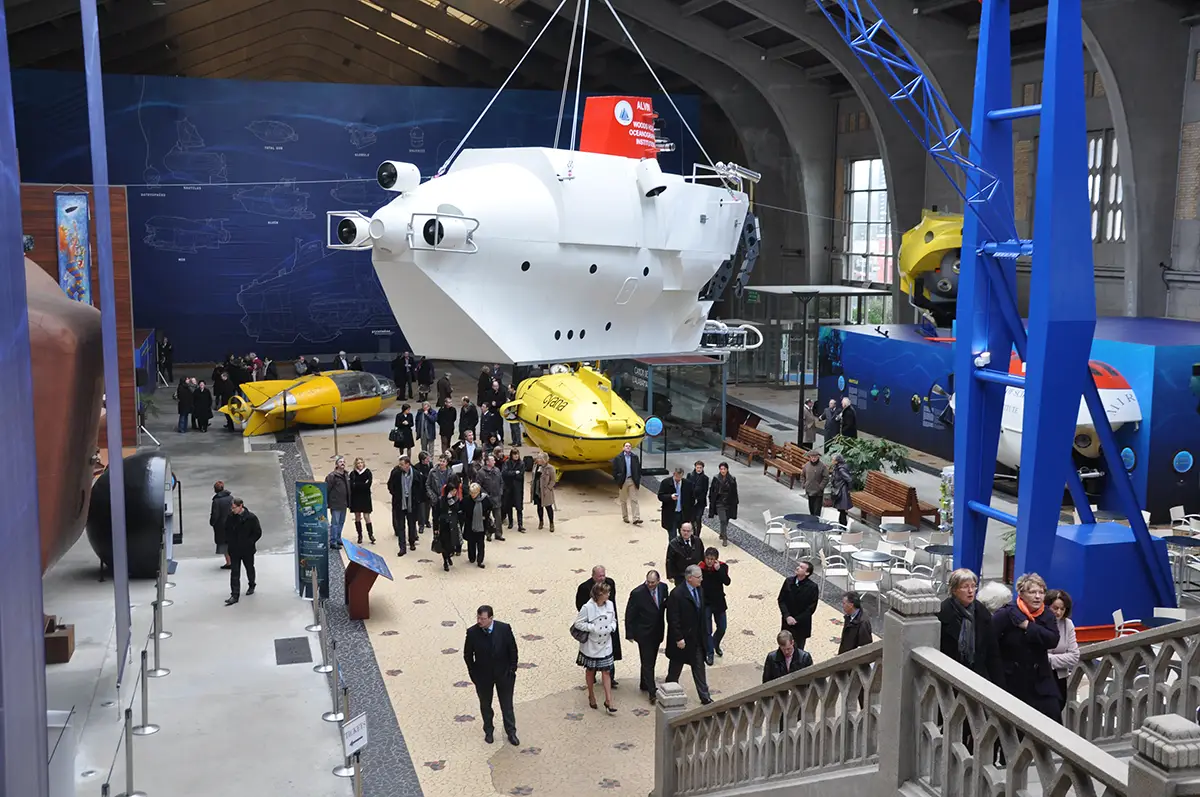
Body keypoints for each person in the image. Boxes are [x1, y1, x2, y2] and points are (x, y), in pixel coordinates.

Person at [993, 573, 1061, 721]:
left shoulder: (1047, 614)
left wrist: (1027, 626)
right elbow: (990, 644)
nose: (1038, 597)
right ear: (1021, 594)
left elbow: (1052, 640)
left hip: (1041, 681)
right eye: (1032, 592)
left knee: (1053, 718)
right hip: (1013, 681)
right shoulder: (1006, 613)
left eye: (1041, 592)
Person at [462, 605, 520, 746]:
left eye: (483, 618)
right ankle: (489, 731)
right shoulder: (472, 632)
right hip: (483, 677)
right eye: (478, 618)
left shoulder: (504, 629)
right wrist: (473, 674)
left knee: (507, 706)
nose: (479, 621)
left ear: (491, 618)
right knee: (485, 705)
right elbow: (468, 655)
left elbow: (513, 650)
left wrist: (512, 670)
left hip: (504, 675)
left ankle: (511, 732)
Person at [937, 569, 1005, 685]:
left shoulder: (982, 612)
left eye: (973, 586)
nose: (970, 591)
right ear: (954, 590)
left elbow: (992, 651)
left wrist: (999, 685)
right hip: (952, 676)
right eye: (965, 587)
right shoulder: (942, 612)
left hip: (977, 675)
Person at [665, 564, 712, 704]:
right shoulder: (677, 594)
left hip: (696, 639)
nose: (701, 579)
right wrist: (679, 638)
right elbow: (673, 619)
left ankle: (705, 696)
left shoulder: (700, 590)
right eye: (699, 577)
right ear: (689, 578)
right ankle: (668, 692)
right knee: (675, 669)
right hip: (682, 641)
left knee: (699, 667)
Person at [573, 581, 619, 713]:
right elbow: (578, 624)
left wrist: (611, 627)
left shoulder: (610, 604)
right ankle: (591, 695)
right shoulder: (587, 607)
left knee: (606, 671)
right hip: (591, 645)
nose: (609, 595)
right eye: (607, 593)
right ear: (599, 594)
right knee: (590, 671)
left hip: (605, 644)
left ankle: (609, 700)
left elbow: (614, 620)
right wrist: (593, 628)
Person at [625, 570, 668, 704]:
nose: (650, 584)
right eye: (648, 582)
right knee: (648, 662)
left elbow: (665, 606)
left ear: (658, 581)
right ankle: (652, 691)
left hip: (657, 631)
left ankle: (644, 682)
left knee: (651, 660)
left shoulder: (663, 588)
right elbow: (629, 614)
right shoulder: (637, 593)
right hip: (643, 633)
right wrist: (630, 634)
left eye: (653, 582)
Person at [575, 566, 622, 686]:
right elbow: (580, 606)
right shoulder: (584, 587)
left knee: (609, 651)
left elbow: (612, 602)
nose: (602, 578)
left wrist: (612, 622)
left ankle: (610, 677)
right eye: (600, 576)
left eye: (603, 575)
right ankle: (593, 675)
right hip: (593, 627)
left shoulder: (610, 583)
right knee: (593, 652)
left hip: (608, 623)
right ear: (593, 575)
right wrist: (592, 623)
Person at [1045, 589, 1079, 713]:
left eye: (1062, 609)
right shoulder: (1038, 623)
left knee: (1059, 707)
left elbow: (1074, 656)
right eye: (1055, 608)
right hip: (1041, 676)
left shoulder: (1067, 624)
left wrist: (1048, 659)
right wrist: (1062, 657)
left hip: (1060, 677)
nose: (1058, 612)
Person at [224, 498, 262, 606]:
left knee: (249, 568)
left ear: (240, 506)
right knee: (235, 572)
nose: (232, 510)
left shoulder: (251, 518)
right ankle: (235, 595)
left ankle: (251, 584)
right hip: (234, 549)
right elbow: (226, 529)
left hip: (247, 550)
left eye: (234, 507)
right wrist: (229, 541)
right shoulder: (230, 517)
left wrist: (249, 542)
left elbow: (257, 532)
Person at [777, 560, 820, 651]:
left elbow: (811, 608)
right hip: (787, 622)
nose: (798, 568)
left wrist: (796, 619)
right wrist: (787, 616)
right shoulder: (788, 581)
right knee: (784, 646)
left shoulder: (812, 587)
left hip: (801, 624)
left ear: (807, 573)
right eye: (798, 566)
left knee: (798, 649)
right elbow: (781, 600)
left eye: (801, 567)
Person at [699, 547, 730, 666]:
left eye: (712, 559)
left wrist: (719, 571)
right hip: (706, 603)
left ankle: (715, 643)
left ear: (716, 560)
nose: (709, 561)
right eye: (707, 558)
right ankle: (710, 653)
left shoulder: (722, 567)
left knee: (722, 627)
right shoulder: (700, 567)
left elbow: (727, 581)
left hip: (718, 602)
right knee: (707, 630)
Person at [387, 456, 422, 556]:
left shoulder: (415, 474)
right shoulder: (396, 473)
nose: (400, 466)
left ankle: (411, 542)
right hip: (400, 502)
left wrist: (417, 499)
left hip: (412, 502)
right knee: (401, 526)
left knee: (411, 524)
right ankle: (402, 547)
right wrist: (396, 494)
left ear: (408, 464)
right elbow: (390, 485)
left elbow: (420, 488)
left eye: (402, 464)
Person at [461, 482, 493, 568]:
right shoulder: (467, 500)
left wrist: (485, 516)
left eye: (474, 493)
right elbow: (462, 510)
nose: (472, 495)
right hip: (470, 524)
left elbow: (490, 507)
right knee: (471, 542)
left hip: (481, 525)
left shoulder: (485, 499)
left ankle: (480, 560)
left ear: (478, 492)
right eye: (471, 492)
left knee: (480, 543)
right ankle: (472, 557)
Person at [706, 462, 739, 546]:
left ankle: (722, 532)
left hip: (728, 503)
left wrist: (735, 502)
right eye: (721, 469)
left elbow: (734, 492)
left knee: (726, 519)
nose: (723, 471)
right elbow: (712, 489)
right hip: (719, 502)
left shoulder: (732, 479)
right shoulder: (716, 478)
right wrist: (711, 499)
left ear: (727, 469)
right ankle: (725, 537)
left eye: (724, 469)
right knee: (723, 519)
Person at [436, 474, 464, 570]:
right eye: (453, 491)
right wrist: (436, 528)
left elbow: (457, 509)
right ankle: (445, 561)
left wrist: (452, 500)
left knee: (451, 543)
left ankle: (448, 556)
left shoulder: (455, 500)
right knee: (444, 543)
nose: (454, 492)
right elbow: (438, 512)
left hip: (453, 523)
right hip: (444, 524)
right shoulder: (442, 500)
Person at [611, 442, 643, 525]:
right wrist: (618, 479)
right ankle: (625, 517)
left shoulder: (635, 457)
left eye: (629, 446)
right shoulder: (618, 458)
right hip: (623, 481)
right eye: (626, 446)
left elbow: (638, 469)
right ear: (623, 448)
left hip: (632, 480)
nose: (628, 447)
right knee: (623, 500)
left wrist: (637, 478)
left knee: (634, 499)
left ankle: (636, 518)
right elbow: (614, 470)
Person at [665, 522, 704, 587]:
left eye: (688, 531)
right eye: (684, 530)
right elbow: (669, 560)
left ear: (692, 531)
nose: (686, 533)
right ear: (680, 530)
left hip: (695, 574)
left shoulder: (697, 541)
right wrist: (670, 575)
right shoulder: (673, 544)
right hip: (680, 575)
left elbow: (701, 555)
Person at [324, 457, 351, 549]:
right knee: (335, 523)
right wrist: (327, 502)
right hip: (335, 503)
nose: (342, 463)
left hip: (344, 503)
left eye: (344, 461)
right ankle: (333, 541)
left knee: (341, 522)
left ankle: (338, 538)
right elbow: (327, 489)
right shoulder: (332, 476)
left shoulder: (346, 475)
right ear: (336, 464)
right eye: (340, 462)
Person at [477, 455, 505, 541]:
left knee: (498, 518)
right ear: (487, 462)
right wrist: (485, 494)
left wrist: (500, 492)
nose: (494, 462)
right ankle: (488, 533)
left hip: (497, 498)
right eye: (492, 460)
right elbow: (478, 485)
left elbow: (501, 482)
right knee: (487, 518)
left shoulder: (497, 470)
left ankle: (498, 534)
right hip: (487, 499)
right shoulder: (481, 472)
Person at [349, 457, 376, 545]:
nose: (360, 465)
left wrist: (358, 485)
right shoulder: (352, 474)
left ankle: (370, 535)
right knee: (357, 516)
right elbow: (352, 486)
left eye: (361, 463)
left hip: (365, 497)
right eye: (358, 463)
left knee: (367, 516)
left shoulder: (368, 472)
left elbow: (368, 484)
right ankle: (359, 535)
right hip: (356, 497)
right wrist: (362, 484)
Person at [657, 467, 690, 538]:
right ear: (674, 474)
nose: (678, 479)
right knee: (672, 536)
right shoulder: (666, 482)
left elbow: (690, 499)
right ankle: (673, 549)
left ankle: (683, 549)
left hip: (682, 514)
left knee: (684, 536)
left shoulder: (687, 484)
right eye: (677, 477)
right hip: (671, 514)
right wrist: (670, 497)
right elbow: (660, 496)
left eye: (680, 477)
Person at [501, 447, 526, 532]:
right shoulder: (507, 463)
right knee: (508, 506)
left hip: (518, 489)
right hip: (508, 487)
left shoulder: (521, 463)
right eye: (514, 454)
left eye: (517, 454)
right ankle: (510, 522)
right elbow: (504, 473)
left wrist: (511, 474)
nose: (516, 456)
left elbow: (521, 476)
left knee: (519, 507)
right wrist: (515, 472)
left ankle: (520, 525)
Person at [210, 480, 233, 570]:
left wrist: (212, 522)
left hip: (221, 525)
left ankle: (229, 562)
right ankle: (232, 560)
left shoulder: (216, 501)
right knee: (230, 543)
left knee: (223, 544)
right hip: (231, 523)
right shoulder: (230, 497)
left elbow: (215, 514)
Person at [531, 453, 556, 531]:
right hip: (537, 489)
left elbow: (553, 480)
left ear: (544, 460)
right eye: (538, 458)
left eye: (540, 458)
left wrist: (548, 488)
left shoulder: (550, 468)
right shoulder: (536, 467)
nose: (538, 460)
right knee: (539, 507)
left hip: (545, 491)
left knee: (548, 507)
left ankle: (551, 523)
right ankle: (541, 521)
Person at [800, 450, 828, 517]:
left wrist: (821, 487)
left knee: (817, 510)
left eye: (815, 457)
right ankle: (812, 523)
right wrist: (804, 484)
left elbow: (826, 478)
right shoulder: (806, 465)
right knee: (811, 509)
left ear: (818, 457)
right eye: (812, 457)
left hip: (818, 492)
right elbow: (802, 475)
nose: (813, 458)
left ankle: (816, 524)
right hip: (809, 490)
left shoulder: (822, 466)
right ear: (809, 457)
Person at [684, 461, 709, 533]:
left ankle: (697, 535)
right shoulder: (690, 475)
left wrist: (697, 499)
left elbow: (705, 491)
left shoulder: (705, 478)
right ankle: (694, 532)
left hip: (700, 502)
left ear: (703, 468)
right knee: (692, 519)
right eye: (697, 467)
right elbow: (687, 488)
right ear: (695, 467)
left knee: (698, 518)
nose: (699, 469)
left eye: (700, 468)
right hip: (691, 502)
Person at [829, 453, 853, 526]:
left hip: (842, 491)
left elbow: (849, 479)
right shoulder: (838, 467)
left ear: (837, 461)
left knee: (842, 510)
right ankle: (842, 525)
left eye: (833, 460)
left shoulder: (841, 469)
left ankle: (843, 526)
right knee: (841, 510)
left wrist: (848, 489)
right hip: (840, 490)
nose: (831, 461)